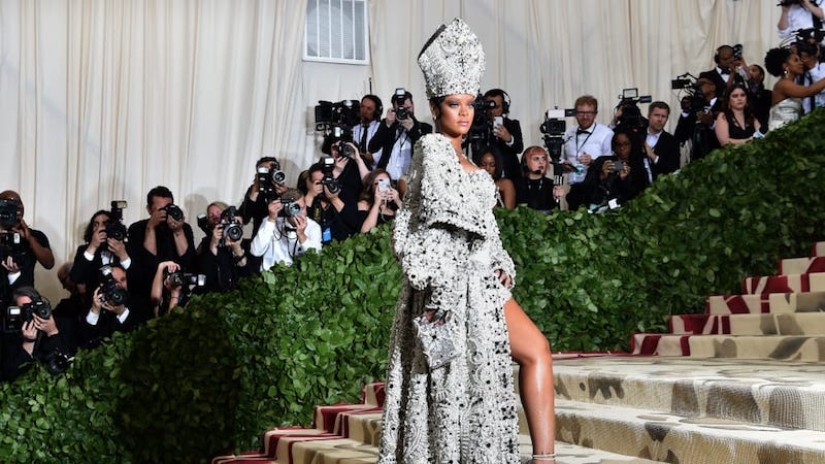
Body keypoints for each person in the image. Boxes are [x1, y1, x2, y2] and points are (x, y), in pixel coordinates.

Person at [378, 18, 555, 464]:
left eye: (470, 104)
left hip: (482, 284)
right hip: (451, 288)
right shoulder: (433, 149)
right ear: (435, 107)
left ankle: (544, 458)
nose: (464, 113)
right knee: (461, 384)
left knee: (533, 352)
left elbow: (486, 229)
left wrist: (500, 262)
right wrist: (446, 283)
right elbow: (429, 221)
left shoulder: (468, 158)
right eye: (453, 104)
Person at [127, 186, 197, 297]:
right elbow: (148, 262)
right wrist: (150, 227)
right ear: (149, 209)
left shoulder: (184, 228)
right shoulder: (137, 228)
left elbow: (188, 261)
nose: (165, 213)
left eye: (168, 208)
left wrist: (178, 231)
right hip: (146, 288)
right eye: (160, 210)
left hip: (177, 288)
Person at [1, 287, 70, 382]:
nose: (29, 313)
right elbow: (10, 375)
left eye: (32, 308)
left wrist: (52, 332)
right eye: (24, 309)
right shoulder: (9, 333)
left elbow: (66, 365)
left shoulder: (60, 325)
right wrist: (28, 343)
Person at [70, 209, 132, 308]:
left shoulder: (126, 248)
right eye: (96, 225)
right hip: (94, 305)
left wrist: (123, 255)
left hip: (123, 304)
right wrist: (93, 246)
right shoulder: (85, 250)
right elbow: (75, 277)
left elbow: (136, 278)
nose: (100, 228)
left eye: (105, 224)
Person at [576, 128, 650, 210]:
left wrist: (623, 180)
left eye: (626, 144)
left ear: (632, 145)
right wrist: (602, 177)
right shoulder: (602, 162)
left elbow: (638, 196)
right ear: (614, 146)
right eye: (618, 145)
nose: (622, 148)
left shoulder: (637, 167)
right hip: (599, 209)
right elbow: (586, 192)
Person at [368, 89, 433, 181]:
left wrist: (412, 129)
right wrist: (387, 125)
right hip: (388, 182)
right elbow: (372, 148)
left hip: (411, 182)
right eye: (401, 109)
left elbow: (426, 153)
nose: (404, 112)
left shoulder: (425, 128)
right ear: (394, 108)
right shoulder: (388, 125)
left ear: (413, 106)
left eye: (407, 108)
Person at [249, 188, 322, 270]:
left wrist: (302, 236)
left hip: (298, 275)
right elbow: (255, 251)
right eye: (295, 208)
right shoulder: (271, 222)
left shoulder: (313, 227)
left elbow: (316, 260)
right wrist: (271, 220)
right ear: (286, 209)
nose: (300, 214)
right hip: (270, 273)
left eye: (302, 208)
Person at [0, 191, 55, 294]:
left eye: (18, 203)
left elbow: (49, 264)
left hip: (23, 297)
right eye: (9, 203)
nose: (16, 206)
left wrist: (30, 238)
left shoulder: (35, 236)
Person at [764, 47, 825, 131]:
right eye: (796, 60)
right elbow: (809, 91)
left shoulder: (791, 83)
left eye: (800, 60)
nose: (801, 63)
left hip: (790, 131)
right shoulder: (783, 84)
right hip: (780, 131)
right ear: (785, 66)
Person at [562, 95, 614, 186]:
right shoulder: (568, 133)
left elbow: (615, 164)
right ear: (575, 114)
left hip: (597, 187)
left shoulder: (606, 134)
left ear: (595, 114)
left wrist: (593, 162)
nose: (585, 117)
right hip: (573, 188)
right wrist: (563, 165)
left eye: (589, 113)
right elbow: (560, 159)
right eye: (581, 113)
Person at [238, 157, 289, 235]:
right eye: (264, 170)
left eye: (271, 170)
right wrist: (254, 193)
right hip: (260, 236)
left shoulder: (286, 191)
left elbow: (295, 214)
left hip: (282, 237)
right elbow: (245, 219)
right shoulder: (254, 191)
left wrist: (285, 195)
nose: (268, 173)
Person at [483, 88, 524, 181]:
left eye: (497, 107)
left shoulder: (512, 124)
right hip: (484, 176)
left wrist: (509, 139)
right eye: (490, 107)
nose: (492, 111)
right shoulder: (478, 126)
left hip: (509, 175)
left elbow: (519, 148)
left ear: (504, 107)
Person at [515, 146, 562, 212]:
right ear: (525, 162)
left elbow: (556, 212)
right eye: (536, 159)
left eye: (544, 159)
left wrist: (555, 198)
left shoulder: (551, 184)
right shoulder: (517, 184)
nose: (541, 162)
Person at [643, 102, 681, 181]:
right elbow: (620, 159)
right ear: (648, 116)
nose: (660, 119)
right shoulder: (637, 135)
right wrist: (617, 169)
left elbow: (674, 169)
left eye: (663, 116)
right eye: (656, 115)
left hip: (659, 185)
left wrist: (653, 156)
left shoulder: (672, 142)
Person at [355, 169, 402, 233]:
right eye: (377, 183)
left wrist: (397, 200)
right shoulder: (363, 205)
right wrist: (376, 204)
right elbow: (365, 232)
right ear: (371, 186)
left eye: (385, 182)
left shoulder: (393, 208)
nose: (381, 186)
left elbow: (410, 220)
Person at [353, 94, 384, 167]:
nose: (364, 111)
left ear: (376, 112)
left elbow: (376, 157)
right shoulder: (355, 129)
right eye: (362, 107)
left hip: (375, 170)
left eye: (369, 109)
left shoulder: (382, 129)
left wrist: (356, 155)